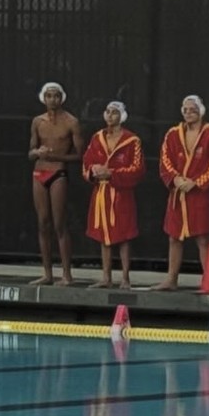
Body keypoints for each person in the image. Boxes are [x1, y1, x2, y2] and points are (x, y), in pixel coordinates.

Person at [154, 94, 209, 291]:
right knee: (174, 236)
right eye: (185, 110)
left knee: (202, 238)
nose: (189, 113)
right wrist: (175, 179)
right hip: (178, 192)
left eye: (193, 109)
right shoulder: (172, 134)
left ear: (201, 111)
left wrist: (197, 182)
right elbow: (165, 160)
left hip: (199, 193)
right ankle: (171, 278)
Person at [82, 101, 145, 289]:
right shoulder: (97, 138)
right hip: (101, 194)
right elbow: (87, 163)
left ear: (122, 116)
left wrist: (112, 173)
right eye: (108, 112)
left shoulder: (132, 141)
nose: (110, 115)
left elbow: (137, 169)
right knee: (103, 236)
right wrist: (93, 171)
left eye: (115, 112)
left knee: (124, 235)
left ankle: (125, 277)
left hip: (121, 194)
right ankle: (106, 277)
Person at [28, 81, 83, 286]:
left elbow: (79, 155)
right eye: (49, 96)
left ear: (62, 98)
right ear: (44, 98)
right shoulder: (37, 122)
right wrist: (37, 153)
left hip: (58, 172)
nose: (53, 99)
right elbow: (30, 152)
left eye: (57, 96)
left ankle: (66, 274)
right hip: (39, 172)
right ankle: (47, 273)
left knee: (59, 224)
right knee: (43, 223)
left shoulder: (71, 122)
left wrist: (56, 157)